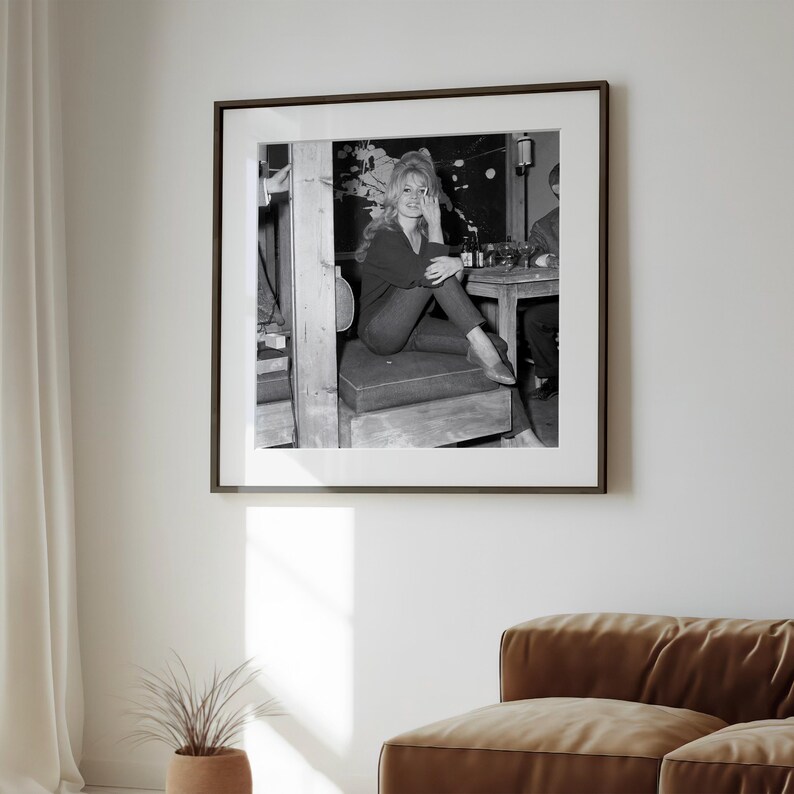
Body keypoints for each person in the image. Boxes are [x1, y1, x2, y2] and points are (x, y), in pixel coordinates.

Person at [356, 151, 543, 447]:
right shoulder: (386, 237)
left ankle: (523, 435)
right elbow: (428, 276)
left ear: (431, 196)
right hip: (381, 332)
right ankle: (479, 344)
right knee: (436, 272)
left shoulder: (424, 236)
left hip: (416, 328)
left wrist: (456, 264)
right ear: (394, 194)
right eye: (407, 190)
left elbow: (446, 284)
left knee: (499, 345)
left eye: (423, 191)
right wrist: (440, 235)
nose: (415, 197)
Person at [523, 162, 560, 401]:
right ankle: (554, 377)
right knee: (534, 318)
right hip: (571, 301)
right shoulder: (544, 225)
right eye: (559, 194)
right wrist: (547, 260)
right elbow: (529, 253)